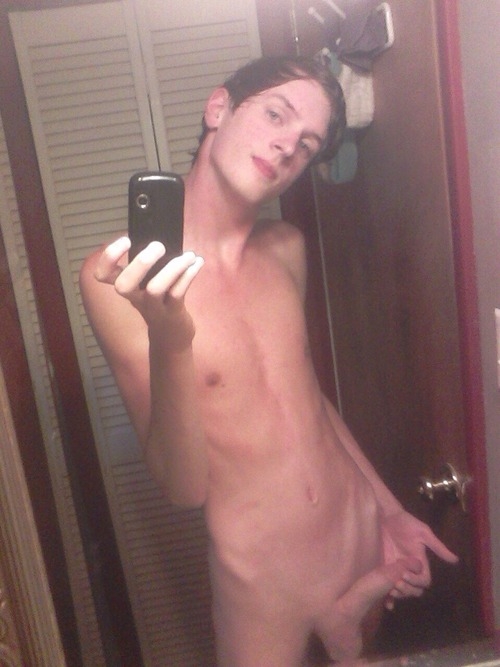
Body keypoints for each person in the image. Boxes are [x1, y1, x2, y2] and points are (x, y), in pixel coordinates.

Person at [80, 56, 458, 666]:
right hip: (263, 582)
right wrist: (171, 338)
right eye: (276, 115)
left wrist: (390, 511)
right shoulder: (118, 278)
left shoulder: (286, 247)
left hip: (358, 539)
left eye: (307, 144)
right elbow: (184, 487)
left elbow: (308, 402)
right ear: (219, 108)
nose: (287, 146)